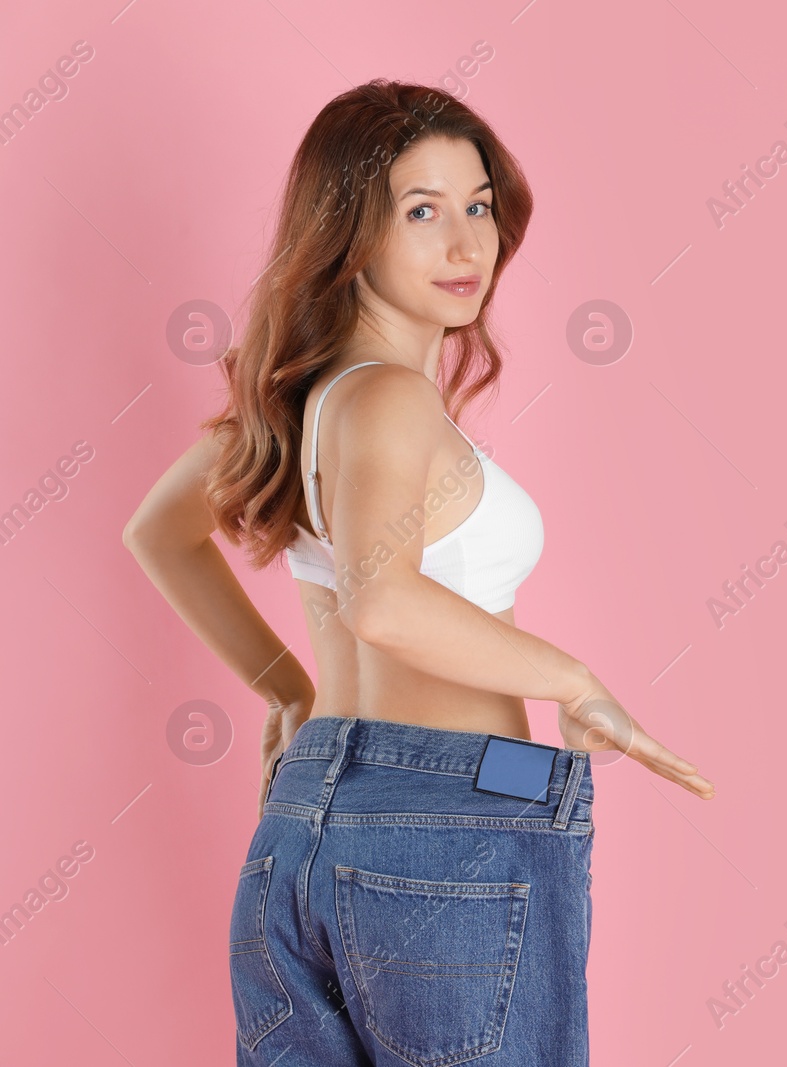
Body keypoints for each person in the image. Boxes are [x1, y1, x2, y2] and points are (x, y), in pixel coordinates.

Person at [122, 78, 713, 1066]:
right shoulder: (389, 399)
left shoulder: (292, 405)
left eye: (477, 205)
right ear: (348, 231)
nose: (466, 243)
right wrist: (573, 679)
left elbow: (160, 530)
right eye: (422, 211)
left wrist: (287, 689)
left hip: (304, 823)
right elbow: (382, 597)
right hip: (453, 821)